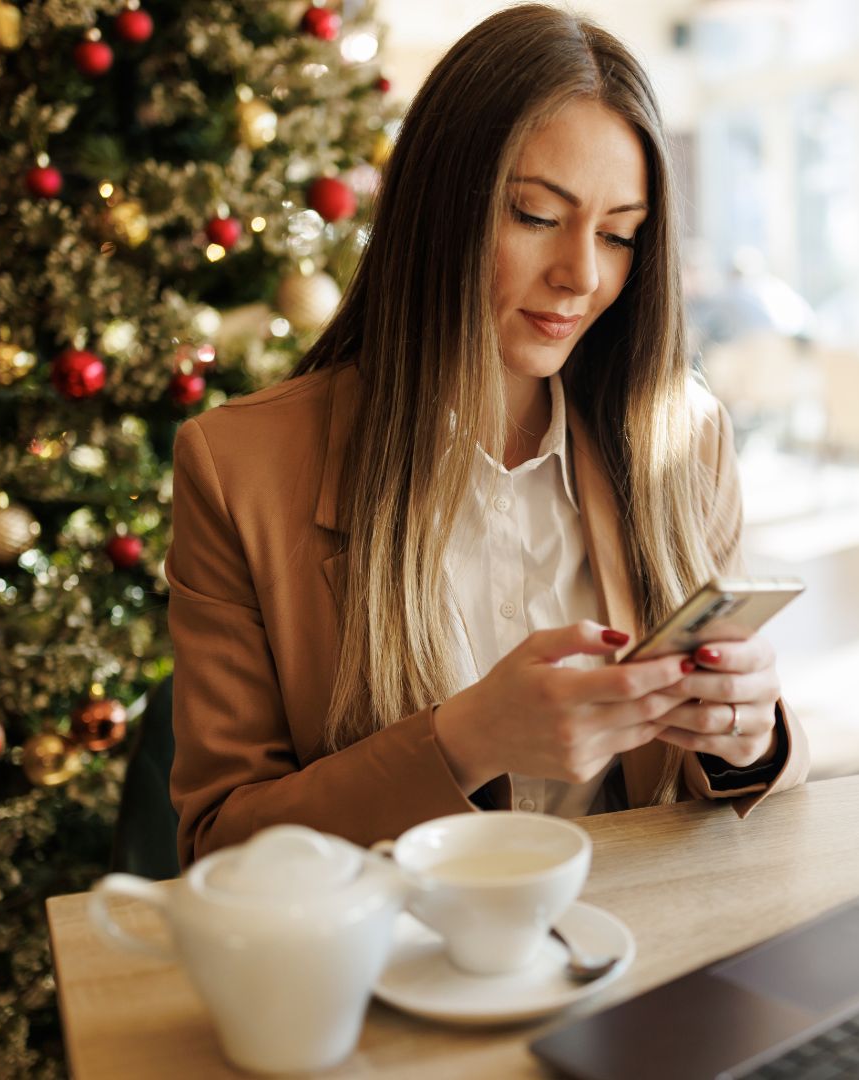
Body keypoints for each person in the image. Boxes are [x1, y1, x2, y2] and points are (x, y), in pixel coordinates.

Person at [166, 3, 809, 867]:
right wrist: (464, 741)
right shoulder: (240, 468)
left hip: (645, 955)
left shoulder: (683, 442)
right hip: (408, 971)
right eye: (537, 216)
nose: (583, 274)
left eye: (620, 234)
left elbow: (742, 791)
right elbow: (221, 845)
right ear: (440, 207)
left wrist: (749, 737)